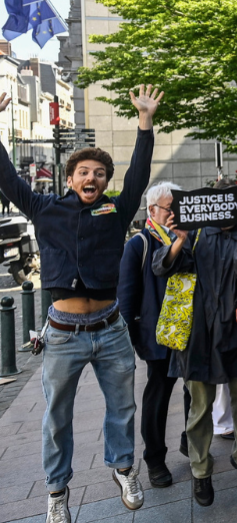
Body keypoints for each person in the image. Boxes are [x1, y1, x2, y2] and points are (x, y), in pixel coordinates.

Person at [0, 87, 157, 522]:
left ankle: (123, 468)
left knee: (122, 406)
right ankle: (56, 490)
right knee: (57, 417)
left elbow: (140, 176)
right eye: (84, 172)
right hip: (64, 334)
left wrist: (144, 123)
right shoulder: (43, 208)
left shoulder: (116, 211)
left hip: (110, 329)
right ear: (70, 178)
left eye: (100, 173)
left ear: (106, 181)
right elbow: (8, 178)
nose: (93, 178)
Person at [154, 181, 237, 506]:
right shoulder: (196, 233)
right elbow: (162, 267)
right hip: (199, 336)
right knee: (199, 408)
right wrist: (179, 239)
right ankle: (201, 471)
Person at [118, 181, 185, 490]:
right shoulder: (140, 244)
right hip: (157, 335)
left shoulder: (189, 238)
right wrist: (132, 339)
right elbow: (127, 296)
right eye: (171, 208)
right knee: (158, 396)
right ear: (153, 210)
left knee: (195, 389)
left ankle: (191, 441)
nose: (175, 214)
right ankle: (155, 459)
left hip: (190, 330)